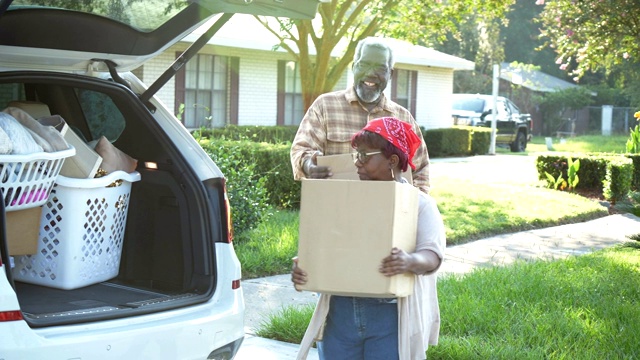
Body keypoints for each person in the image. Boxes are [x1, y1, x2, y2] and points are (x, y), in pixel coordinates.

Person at [291, 117, 446, 360]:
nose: (357, 163)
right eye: (356, 156)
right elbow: (330, 245)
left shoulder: (419, 204)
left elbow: (433, 255)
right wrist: (307, 265)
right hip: (340, 313)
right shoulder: (344, 198)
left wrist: (409, 261)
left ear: (392, 161)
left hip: (390, 317)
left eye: (365, 155)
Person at [290, 36, 431, 193]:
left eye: (380, 68)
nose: (371, 73)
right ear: (354, 67)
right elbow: (301, 150)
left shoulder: (403, 118)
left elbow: (420, 171)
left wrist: (411, 208)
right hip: (335, 207)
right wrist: (309, 166)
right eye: (364, 65)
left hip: (387, 212)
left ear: (390, 74)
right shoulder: (325, 106)